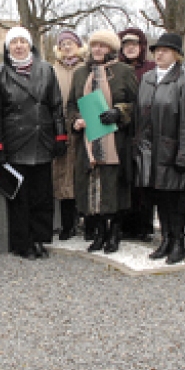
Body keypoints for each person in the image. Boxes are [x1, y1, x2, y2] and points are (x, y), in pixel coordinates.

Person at [0, 26, 68, 259]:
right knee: (21, 196)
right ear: (7, 47)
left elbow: (56, 106)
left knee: (42, 193)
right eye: (14, 42)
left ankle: (40, 239)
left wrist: (60, 136)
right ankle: (23, 242)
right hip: (15, 141)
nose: (19, 46)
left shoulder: (46, 70)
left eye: (23, 41)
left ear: (30, 44)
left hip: (42, 138)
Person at [133, 32, 185, 264]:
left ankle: (178, 242)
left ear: (176, 54)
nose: (159, 54)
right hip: (150, 151)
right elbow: (140, 115)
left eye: (165, 50)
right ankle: (165, 238)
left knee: (177, 200)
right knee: (160, 197)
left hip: (173, 150)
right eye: (156, 50)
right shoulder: (148, 78)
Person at [68, 29, 138, 253]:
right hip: (88, 140)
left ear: (111, 48)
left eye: (103, 45)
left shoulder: (124, 71)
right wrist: (76, 121)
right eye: (95, 45)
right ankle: (98, 232)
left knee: (114, 186)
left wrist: (119, 112)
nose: (98, 49)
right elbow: (71, 105)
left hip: (115, 139)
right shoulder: (80, 73)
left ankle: (114, 233)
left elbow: (137, 103)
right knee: (91, 187)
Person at [118, 27, 158, 241]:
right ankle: (125, 225)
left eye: (134, 44)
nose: (130, 48)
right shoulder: (116, 68)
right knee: (126, 178)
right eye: (126, 44)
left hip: (146, 129)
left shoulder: (151, 68)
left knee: (145, 179)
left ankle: (144, 226)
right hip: (123, 128)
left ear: (141, 46)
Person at [52, 30, 86, 240]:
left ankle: (87, 222)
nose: (66, 46)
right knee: (62, 177)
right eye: (63, 43)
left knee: (83, 173)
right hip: (60, 127)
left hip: (83, 125)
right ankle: (66, 224)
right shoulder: (52, 70)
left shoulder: (86, 68)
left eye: (70, 43)